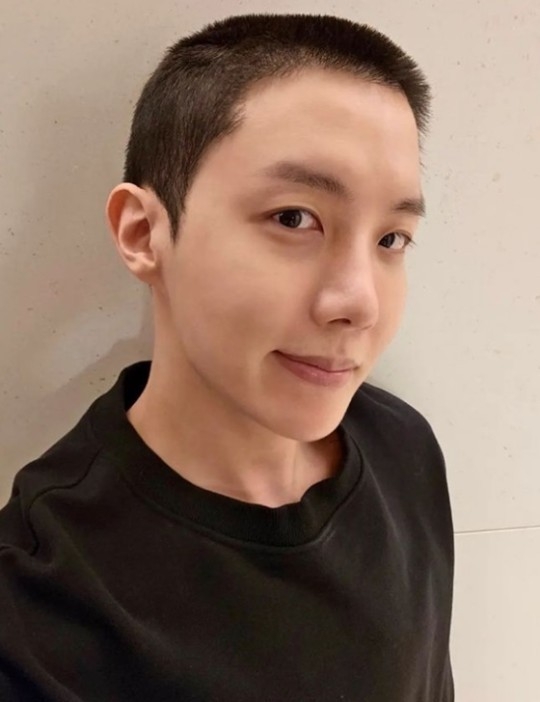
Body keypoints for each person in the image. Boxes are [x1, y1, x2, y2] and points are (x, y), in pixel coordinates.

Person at [0, 12, 454, 701]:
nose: (359, 301)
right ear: (143, 233)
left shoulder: (403, 447)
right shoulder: (38, 601)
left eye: (392, 239)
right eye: (294, 218)